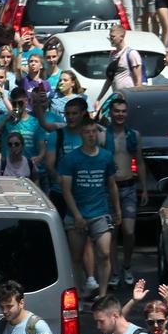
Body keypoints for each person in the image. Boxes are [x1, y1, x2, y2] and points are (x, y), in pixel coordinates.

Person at [59, 117, 121, 294]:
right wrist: (77, 215)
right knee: (76, 258)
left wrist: (117, 210)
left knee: (104, 253)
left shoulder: (106, 156)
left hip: (100, 212)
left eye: (94, 131)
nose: (91, 135)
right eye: (87, 132)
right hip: (76, 214)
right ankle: (77, 293)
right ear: (81, 134)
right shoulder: (70, 159)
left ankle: (102, 294)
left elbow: (111, 185)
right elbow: (66, 190)